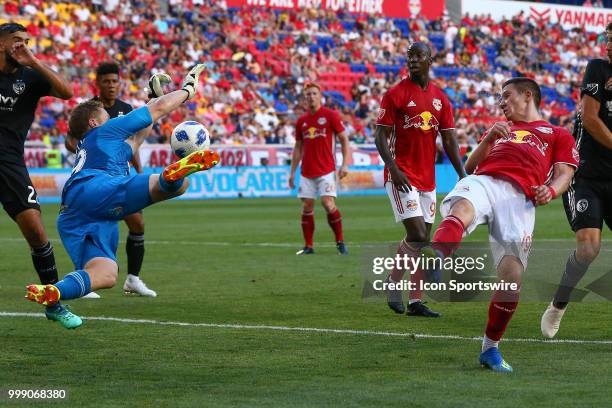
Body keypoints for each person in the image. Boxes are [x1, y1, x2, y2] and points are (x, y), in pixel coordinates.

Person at [24, 65, 219, 319]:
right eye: (107, 115)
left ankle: (53, 292)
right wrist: (186, 91)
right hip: (98, 188)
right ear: (94, 122)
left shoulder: (93, 144)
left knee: (104, 274)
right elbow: (158, 111)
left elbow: (138, 138)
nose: (113, 118)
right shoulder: (107, 130)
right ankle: (171, 179)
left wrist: (152, 97)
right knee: (180, 185)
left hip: (74, 213)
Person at [429, 77, 578, 372]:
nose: (501, 102)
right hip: (485, 182)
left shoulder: (557, 133)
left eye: (506, 96)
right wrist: (488, 139)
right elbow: (469, 168)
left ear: (527, 96)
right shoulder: (500, 128)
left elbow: (564, 173)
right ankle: (435, 257)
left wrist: (550, 190)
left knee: (512, 280)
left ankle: (489, 349)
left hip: (520, 200)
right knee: (461, 208)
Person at [374, 42, 466, 317]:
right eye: (409, 57)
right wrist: (393, 167)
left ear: (429, 60)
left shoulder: (441, 98)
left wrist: (463, 176)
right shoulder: (395, 94)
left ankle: (415, 302)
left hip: (428, 179)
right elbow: (381, 135)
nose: (412, 61)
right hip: (401, 175)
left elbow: (449, 139)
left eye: (418, 57)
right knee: (418, 234)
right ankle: (392, 282)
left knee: (421, 240)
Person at [0, 23, 78, 329]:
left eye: (26, 41)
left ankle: (53, 302)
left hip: (9, 162)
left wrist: (33, 61)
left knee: (36, 230)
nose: (23, 45)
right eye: (16, 41)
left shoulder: (30, 76)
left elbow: (67, 92)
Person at [541, 24, 612, 338]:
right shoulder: (598, 68)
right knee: (588, 250)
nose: (608, 44)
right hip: (586, 177)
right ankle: (559, 304)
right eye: (607, 38)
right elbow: (590, 118)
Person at [67, 61, 157, 298]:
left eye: (114, 81)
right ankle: (84, 275)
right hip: (95, 177)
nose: (111, 85)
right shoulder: (89, 110)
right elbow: (71, 139)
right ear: (98, 83)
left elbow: (134, 142)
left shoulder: (125, 108)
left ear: (119, 83)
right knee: (92, 223)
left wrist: (138, 170)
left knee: (137, 223)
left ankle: (133, 279)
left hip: (121, 174)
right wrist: (84, 153)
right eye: (106, 81)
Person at [288, 82, 350, 255]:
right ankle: (309, 246)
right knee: (307, 206)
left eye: (314, 93)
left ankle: (340, 242)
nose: (311, 97)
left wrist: (345, 164)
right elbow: (298, 148)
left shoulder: (330, 116)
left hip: (326, 170)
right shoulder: (301, 121)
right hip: (307, 171)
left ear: (320, 96)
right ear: (305, 97)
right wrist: (292, 172)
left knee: (327, 203)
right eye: (308, 94)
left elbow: (344, 139)